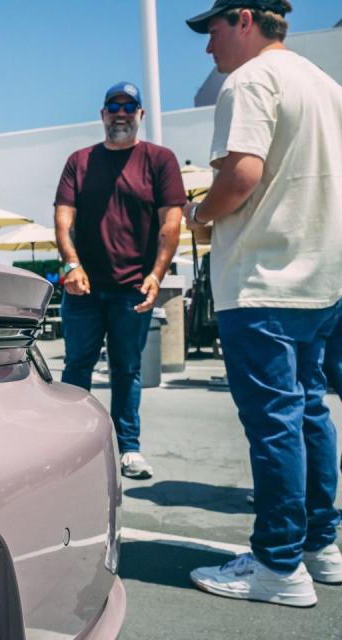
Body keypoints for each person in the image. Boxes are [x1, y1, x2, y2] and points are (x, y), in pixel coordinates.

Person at [182, 0, 342, 607]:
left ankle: (278, 566)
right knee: (310, 413)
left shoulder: (249, 80)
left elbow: (241, 176)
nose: (208, 48)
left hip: (264, 279)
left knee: (275, 423)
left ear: (244, 18)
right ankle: (320, 548)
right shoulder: (326, 84)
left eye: (213, 29)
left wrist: (201, 212)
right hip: (323, 276)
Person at [53, 82, 185, 480]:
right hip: (84, 289)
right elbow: (63, 219)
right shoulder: (80, 161)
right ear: (103, 114)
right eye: (114, 106)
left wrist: (157, 274)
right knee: (78, 366)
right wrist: (71, 264)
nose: (121, 113)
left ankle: (129, 447)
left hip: (133, 288)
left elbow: (172, 223)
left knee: (127, 368)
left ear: (141, 114)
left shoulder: (160, 160)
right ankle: (69, 446)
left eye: (130, 106)